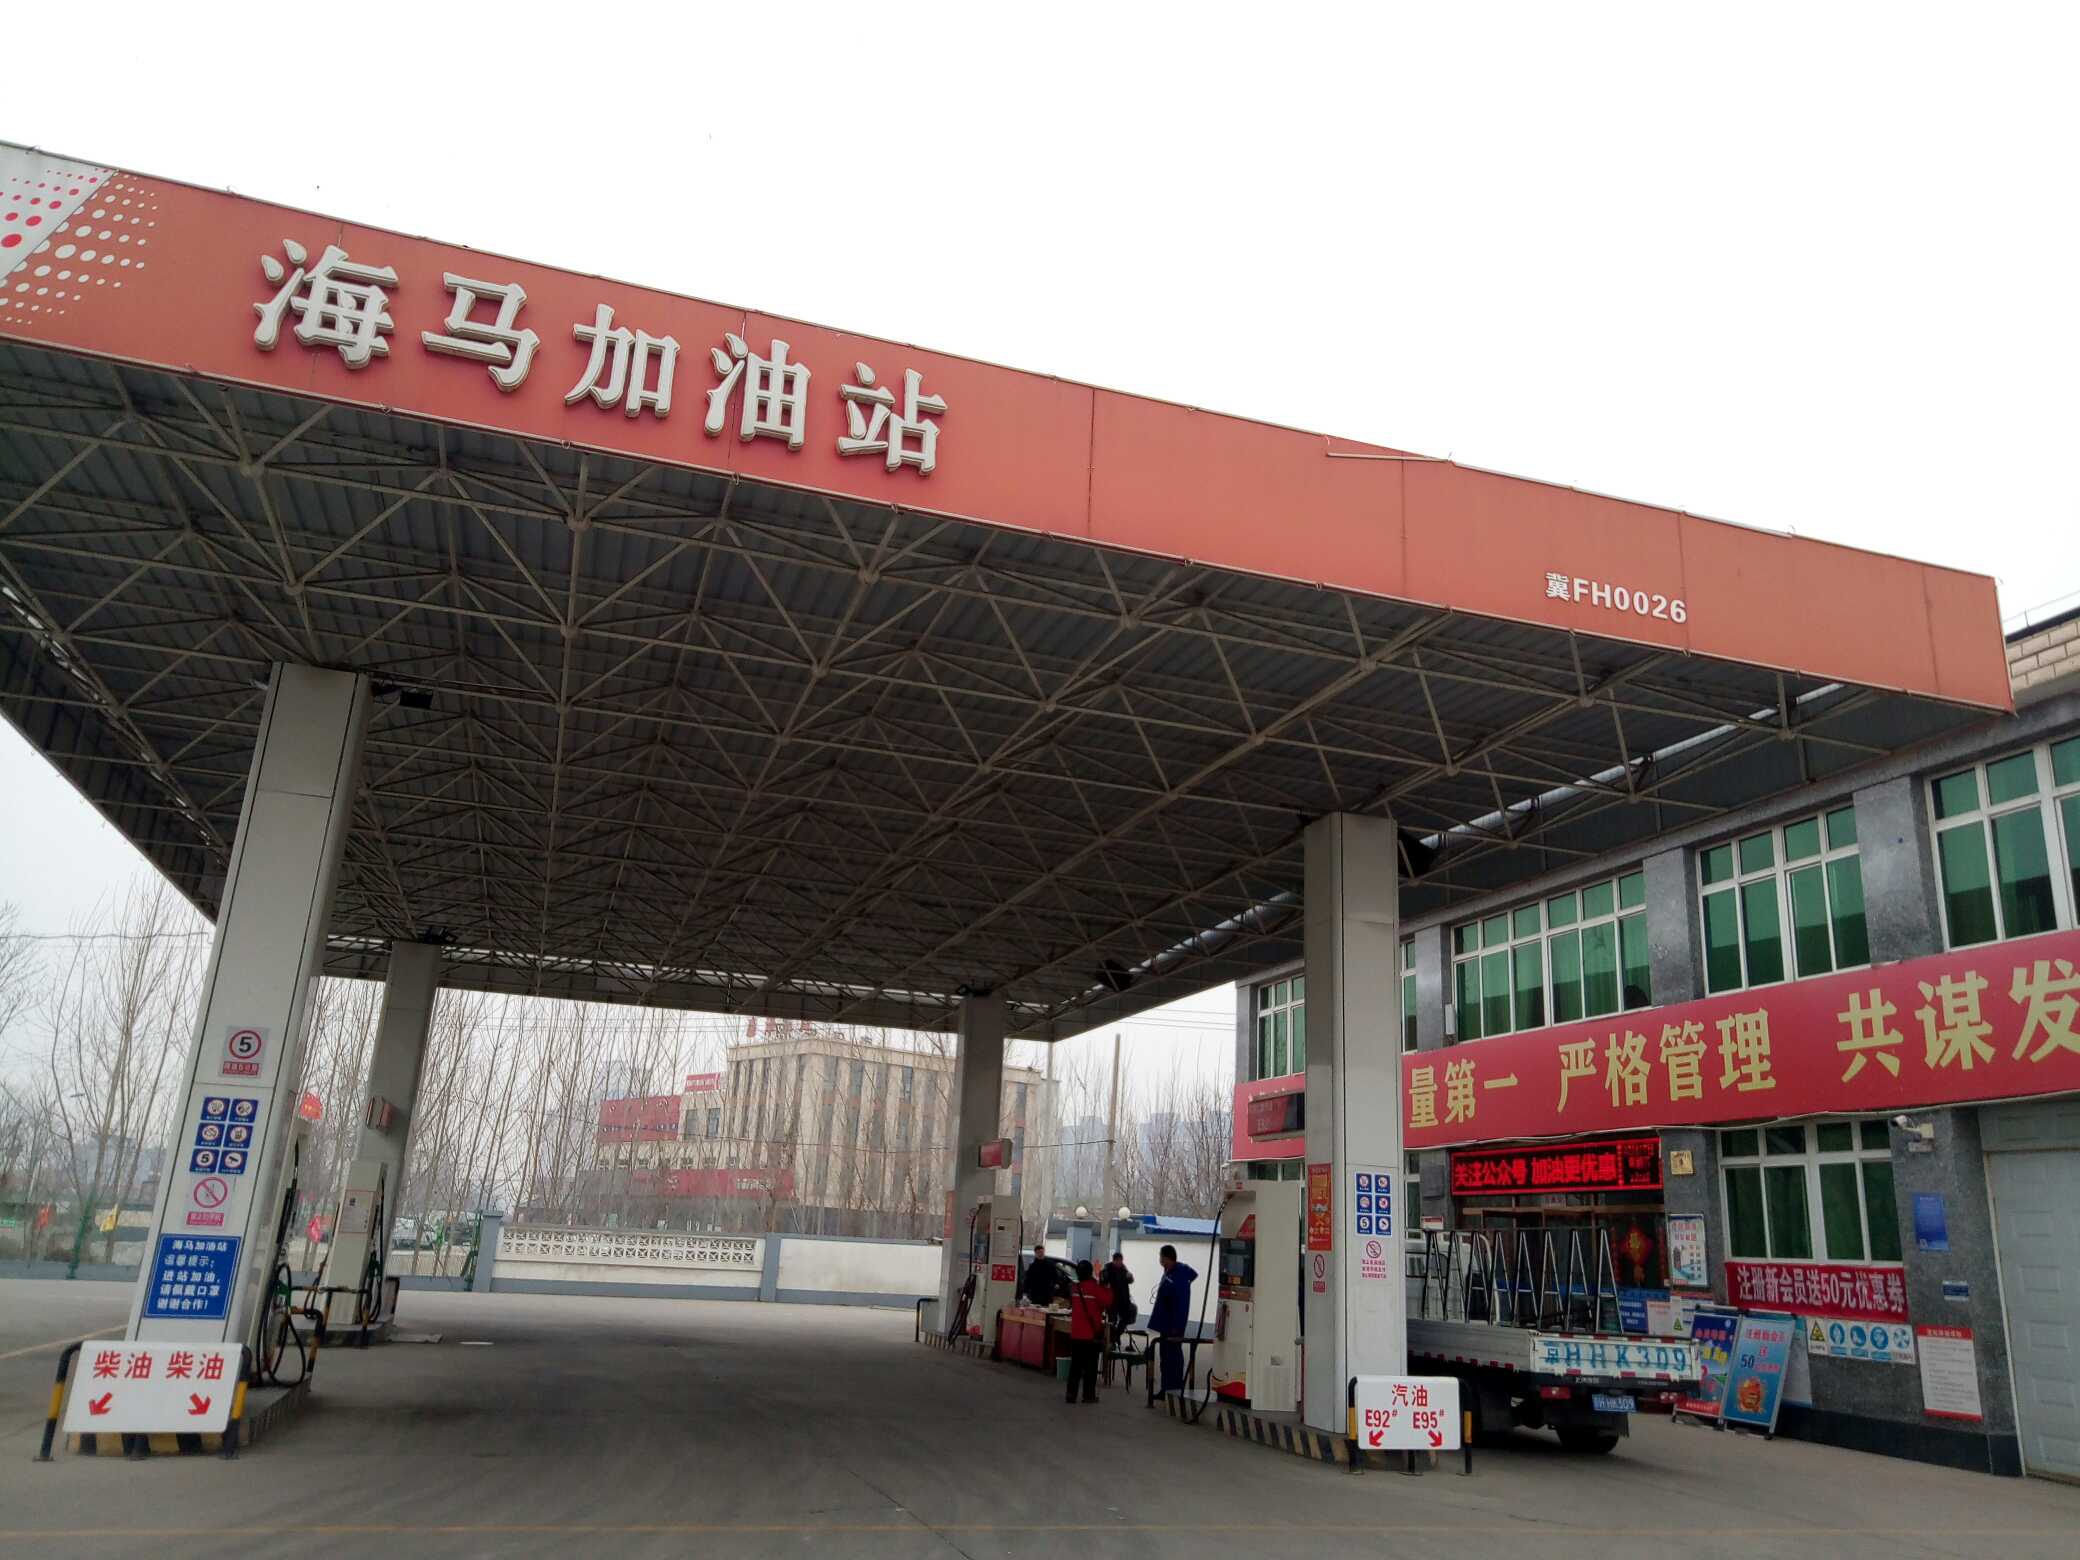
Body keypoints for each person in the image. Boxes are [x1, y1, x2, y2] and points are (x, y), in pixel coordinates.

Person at [1148, 1243, 1198, 1399]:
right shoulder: (1169, 1273)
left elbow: (1181, 1303)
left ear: (1166, 1257)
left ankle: (1174, 1390)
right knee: (1165, 1358)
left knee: (1173, 1358)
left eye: (1161, 1256)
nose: (1160, 1259)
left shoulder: (1179, 1275)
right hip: (1165, 1324)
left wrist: (1177, 1326)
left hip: (1173, 1326)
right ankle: (1166, 1389)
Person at [1064, 1258, 1108, 1404]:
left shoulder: (1074, 1288)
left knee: (1075, 1365)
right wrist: (1106, 1286)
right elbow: (1107, 1302)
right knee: (1090, 1367)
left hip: (1076, 1333)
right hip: (1091, 1334)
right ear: (1090, 1273)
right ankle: (1088, 1395)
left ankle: (1071, 1394)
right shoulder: (1095, 1288)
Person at [1100, 1250, 1136, 1332]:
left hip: (1123, 1300)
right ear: (1114, 1260)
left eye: (1121, 1260)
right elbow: (1102, 1282)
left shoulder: (1124, 1268)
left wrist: (1130, 1277)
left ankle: (1117, 1334)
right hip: (1112, 1300)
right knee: (1112, 1321)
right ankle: (1112, 1336)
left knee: (1126, 1318)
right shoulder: (1107, 1269)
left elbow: (1130, 1281)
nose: (1120, 1263)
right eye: (1118, 1261)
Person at [1020, 1241, 1061, 1308]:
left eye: (1041, 1252)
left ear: (1044, 1252)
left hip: (1047, 1292)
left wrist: (1057, 1283)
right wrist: (1025, 1292)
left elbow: (1055, 1275)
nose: (1040, 1254)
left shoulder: (1050, 1264)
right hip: (1036, 1293)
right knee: (1036, 1310)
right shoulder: (1032, 1266)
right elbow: (1027, 1280)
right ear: (1035, 1253)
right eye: (1038, 1252)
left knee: (1046, 1309)